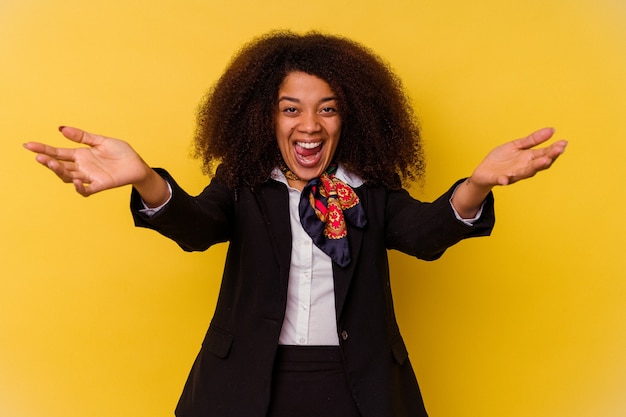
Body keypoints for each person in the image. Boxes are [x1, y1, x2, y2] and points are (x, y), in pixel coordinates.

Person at [23, 31, 567, 417]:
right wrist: (145, 178)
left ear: (349, 117)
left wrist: (477, 184)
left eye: (327, 109)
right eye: (291, 109)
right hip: (249, 384)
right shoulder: (243, 183)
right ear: (265, 116)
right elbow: (196, 227)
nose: (309, 125)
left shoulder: (369, 190)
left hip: (357, 384)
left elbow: (425, 236)